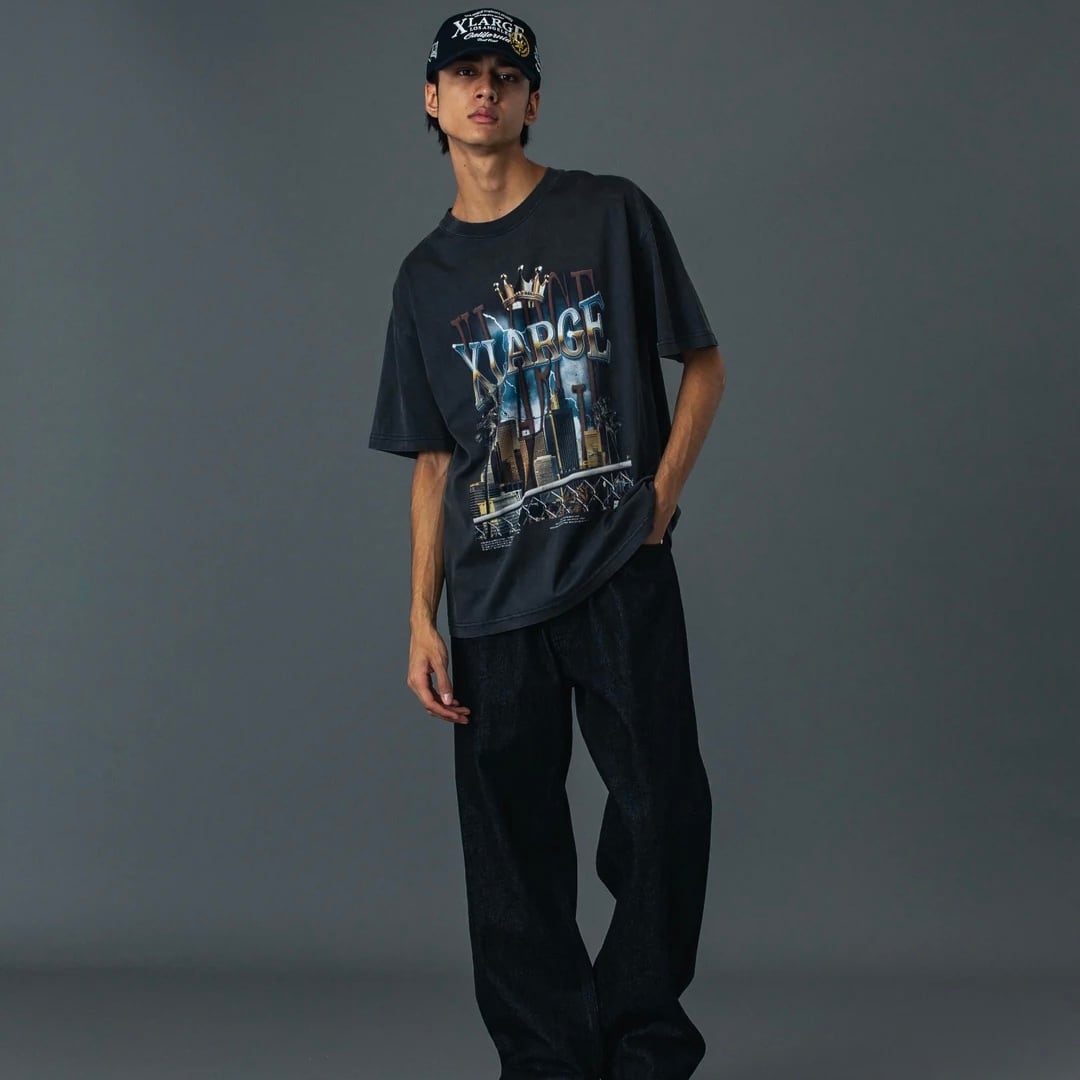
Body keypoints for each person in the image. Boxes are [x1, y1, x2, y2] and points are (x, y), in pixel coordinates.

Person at [368, 9, 726, 1078]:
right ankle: (547, 1062)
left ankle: (643, 1045)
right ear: (432, 101)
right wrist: (419, 617)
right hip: (492, 601)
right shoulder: (423, 278)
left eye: (503, 74)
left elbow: (702, 365)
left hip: (617, 572)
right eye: (462, 75)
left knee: (664, 812)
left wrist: (660, 500)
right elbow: (434, 463)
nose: (483, 90)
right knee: (511, 860)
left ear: (532, 99)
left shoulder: (610, 213)